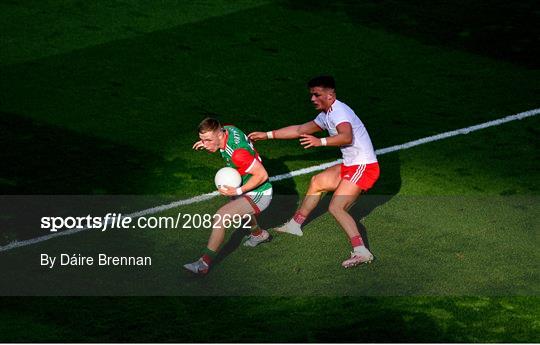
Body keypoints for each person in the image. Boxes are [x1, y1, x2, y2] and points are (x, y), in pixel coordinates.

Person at [248, 76, 379, 268]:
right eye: (311, 95)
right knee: (318, 181)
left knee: (336, 207)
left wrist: (321, 141)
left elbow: (346, 136)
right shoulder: (326, 114)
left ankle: (361, 252)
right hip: (352, 164)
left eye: (317, 94)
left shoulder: (339, 112)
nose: (312, 99)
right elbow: (300, 129)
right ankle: (295, 225)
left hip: (364, 167)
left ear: (331, 94)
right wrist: (267, 135)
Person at [184, 118, 273, 274]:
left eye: (208, 140)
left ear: (220, 135)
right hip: (244, 183)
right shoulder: (228, 129)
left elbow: (262, 175)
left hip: (260, 193)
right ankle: (258, 234)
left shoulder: (238, 154)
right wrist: (207, 142)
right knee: (235, 202)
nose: (205, 144)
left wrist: (238, 191)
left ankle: (203, 264)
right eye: (201, 140)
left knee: (221, 216)